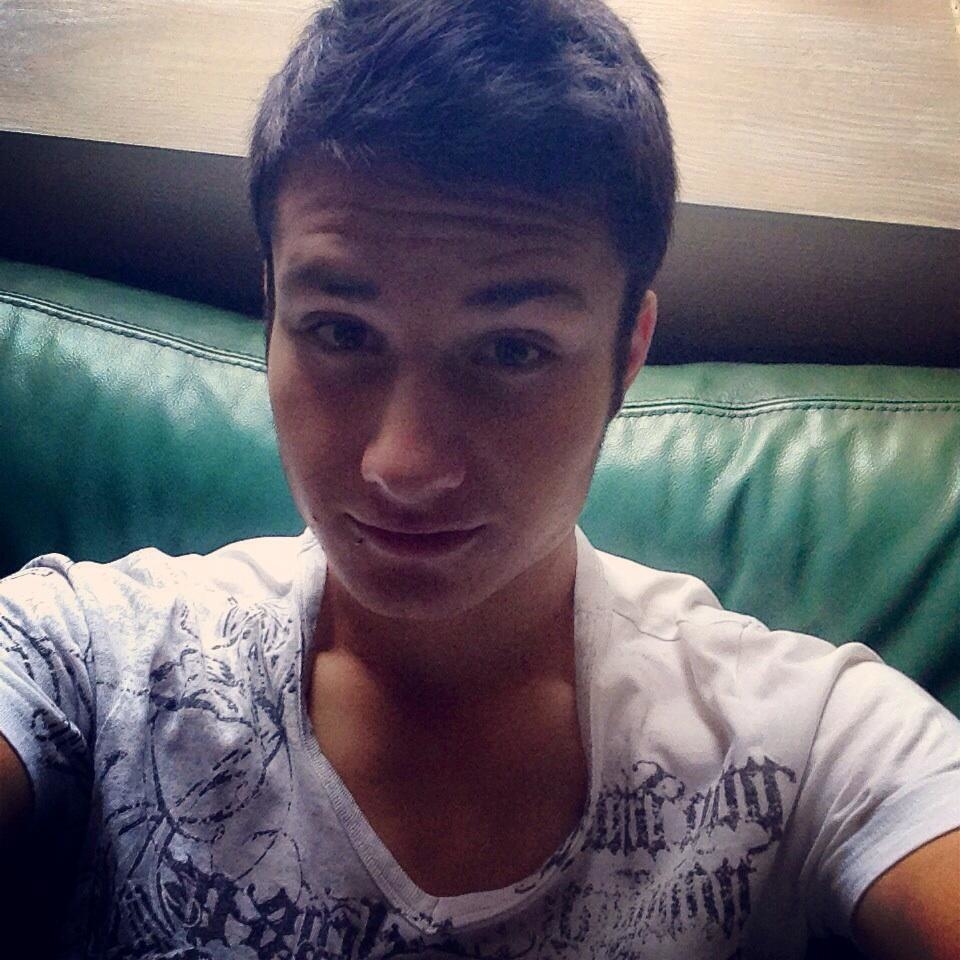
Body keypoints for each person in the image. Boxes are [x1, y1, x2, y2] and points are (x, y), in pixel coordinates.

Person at [0, 0, 957, 956]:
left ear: (628, 353)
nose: (402, 466)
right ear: (272, 310)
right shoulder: (96, 655)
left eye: (511, 350)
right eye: (340, 333)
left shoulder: (805, 742)